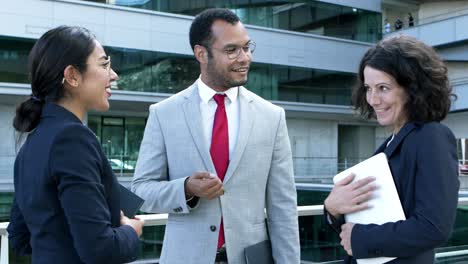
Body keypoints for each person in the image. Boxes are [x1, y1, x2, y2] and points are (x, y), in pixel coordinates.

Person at [132, 8, 300, 264]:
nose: (245, 58)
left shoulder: (272, 116)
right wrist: (186, 188)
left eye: (247, 47)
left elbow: (283, 206)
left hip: (250, 258)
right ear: (201, 54)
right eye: (232, 50)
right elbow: (142, 191)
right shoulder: (164, 113)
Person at [7, 26, 145, 263]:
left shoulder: (32, 142)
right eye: (104, 65)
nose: (113, 75)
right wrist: (131, 231)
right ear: (72, 76)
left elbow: (19, 237)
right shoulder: (72, 138)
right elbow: (100, 249)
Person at [324, 35, 460, 263]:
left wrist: (360, 238)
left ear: (413, 89)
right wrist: (333, 208)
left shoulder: (431, 137)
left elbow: (433, 227)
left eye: (383, 88)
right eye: (368, 88)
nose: (373, 99)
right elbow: (371, 215)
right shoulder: (392, 142)